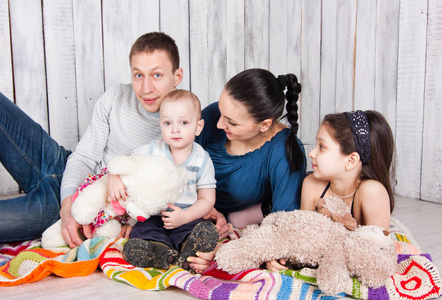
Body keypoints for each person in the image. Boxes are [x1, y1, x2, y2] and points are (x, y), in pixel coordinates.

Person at [0, 32, 184, 246]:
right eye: (138, 75)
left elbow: (172, 192)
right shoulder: (116, 96)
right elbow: (83, 157)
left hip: (87, 205)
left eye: (156, 75)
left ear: (177, 77)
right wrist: (68, 207)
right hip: (61, 166)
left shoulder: (183, 123)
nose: (146, 88)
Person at [188, 68, 307, 272]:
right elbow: (176, 162)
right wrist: (203, 207)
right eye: (222, 112)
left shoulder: (284, 151)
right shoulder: (215, 115)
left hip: (233, 222)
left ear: (264, 125)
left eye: (231, 122)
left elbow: (284, 221)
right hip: (193, 205)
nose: (218, 123)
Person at [267, 110, 395, 271]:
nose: (312, 153)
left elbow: (378, 255)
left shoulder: (372, 192)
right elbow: (301, 236)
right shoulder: (311, 184)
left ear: (351, 160)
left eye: (321, 147)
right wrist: (279, 255)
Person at [105, 89, 219, 271]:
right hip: (155, 215)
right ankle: (158, 252)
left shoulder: (202, 159)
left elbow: (207, 199)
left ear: (198, 126)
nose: (175, 129)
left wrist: (186, 216)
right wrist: (113, 177)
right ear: (160, 125)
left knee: (198, 229)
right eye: (167, 123)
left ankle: (188, 250)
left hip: (187, 215)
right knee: (141, 230)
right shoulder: (153, 150)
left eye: (184, 122)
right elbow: (124, 161)